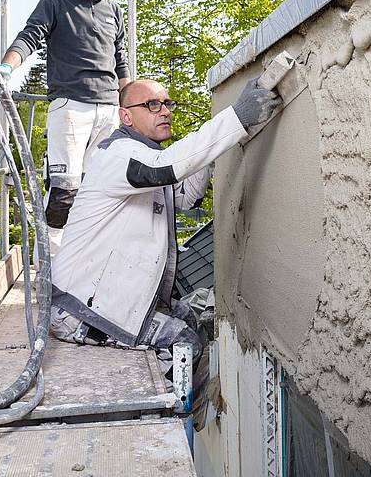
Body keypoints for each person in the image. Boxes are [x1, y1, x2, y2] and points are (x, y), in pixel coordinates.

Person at [49, 77, 281, 362]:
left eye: (167, 104)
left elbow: (185, 197)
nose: (166, 111)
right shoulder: (118, 154)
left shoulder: (146, 158)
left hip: (108, 296)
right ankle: (170, 403)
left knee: (188, 317)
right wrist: (234, 118)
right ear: (126, 116)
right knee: (185, 343)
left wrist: (212, 151)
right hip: (80, 309)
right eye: (152, 105)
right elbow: (167, 167)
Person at [0, 0, 131, 255]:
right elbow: (30, 36)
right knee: (64, 190)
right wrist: (6, 67)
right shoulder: (56, 1)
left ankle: (85, 263)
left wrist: (129, 104)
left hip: (109, 109)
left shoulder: (114, 10)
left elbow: (121, 60)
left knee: (98, 190)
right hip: (71, 107)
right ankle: (51, 270)